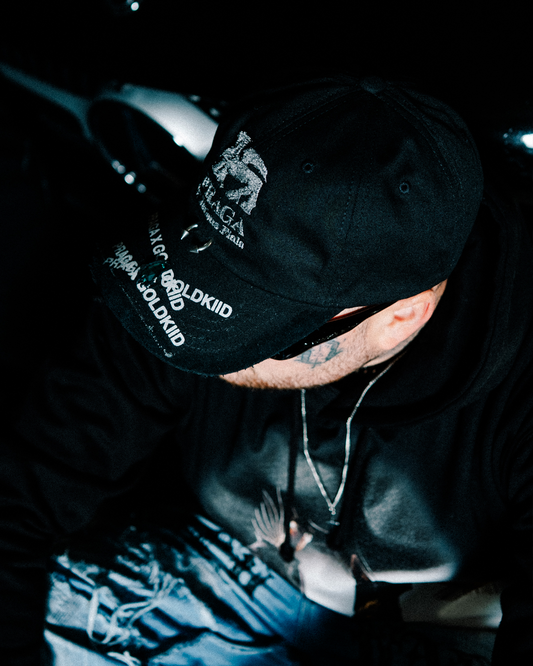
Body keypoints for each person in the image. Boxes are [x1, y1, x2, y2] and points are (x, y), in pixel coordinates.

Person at [2, 73, 532, 665]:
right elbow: (22, 492)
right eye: (211, 276)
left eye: (255, 320)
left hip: (435, 630)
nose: (196, 318)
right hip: (207, 577)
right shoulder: (191, 267)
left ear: (401, 316)